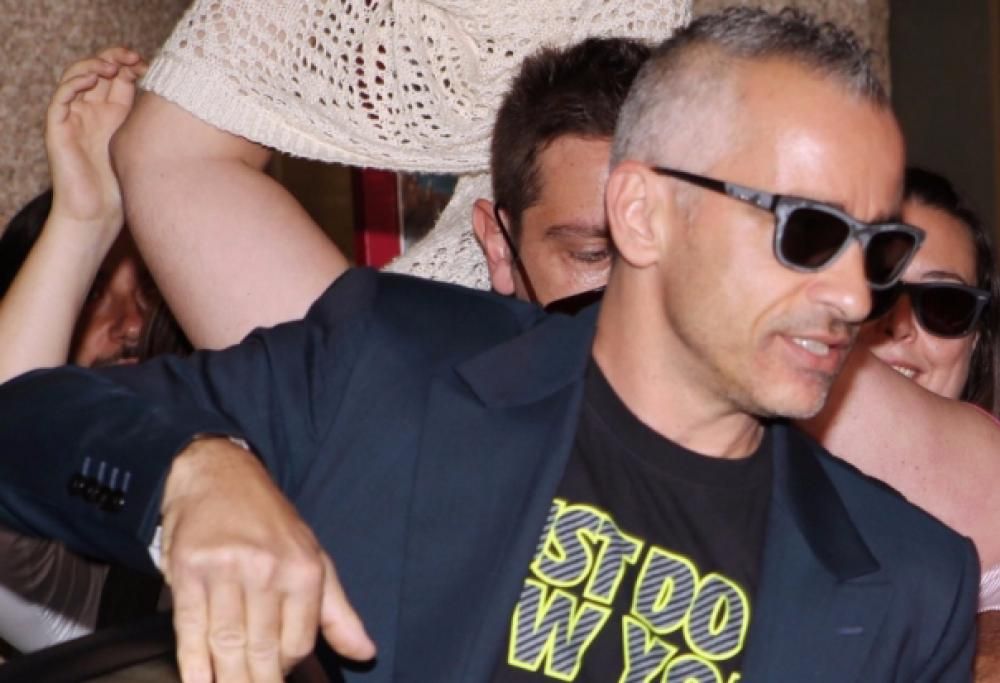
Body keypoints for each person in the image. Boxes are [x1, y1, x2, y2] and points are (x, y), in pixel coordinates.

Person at [0, 9, 978, 682]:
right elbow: (22, 424)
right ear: (643, 212)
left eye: (878, 249)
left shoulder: (909, 584)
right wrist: (190, 474)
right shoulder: (389, 366)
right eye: (807, 232)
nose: (854, 295)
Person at [108, 0, 689, 347]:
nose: (643, 301)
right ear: (499, 247)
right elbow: (171, 155)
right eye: (593, 255)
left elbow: (171, 156)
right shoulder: (416, 411)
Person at [0, 48, 187, 654]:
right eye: (92, 294)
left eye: (150, 292)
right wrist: (84, 219)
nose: (131, 325)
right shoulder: (59, 572)